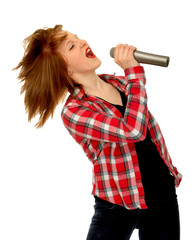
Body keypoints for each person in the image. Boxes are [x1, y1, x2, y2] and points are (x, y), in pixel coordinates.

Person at [14, 25, 182, 240]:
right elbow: (132, 131)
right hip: (118, 203)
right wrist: (134, 73)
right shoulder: (75, 112)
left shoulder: (120, 83)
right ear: (65, 69)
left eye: (78, 37)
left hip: (161, 194)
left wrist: (169, 172)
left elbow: (150, 133)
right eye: (72, 45)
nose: (83, 42)